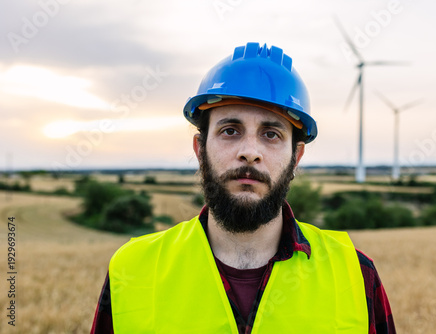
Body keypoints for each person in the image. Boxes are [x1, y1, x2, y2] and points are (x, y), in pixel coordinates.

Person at [91, 42, 396, 333]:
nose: (250, 152)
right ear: (200, 148)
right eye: (230, 130)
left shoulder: (356, 275)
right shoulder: (132, 270)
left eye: (271, 134)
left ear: (296, 156)